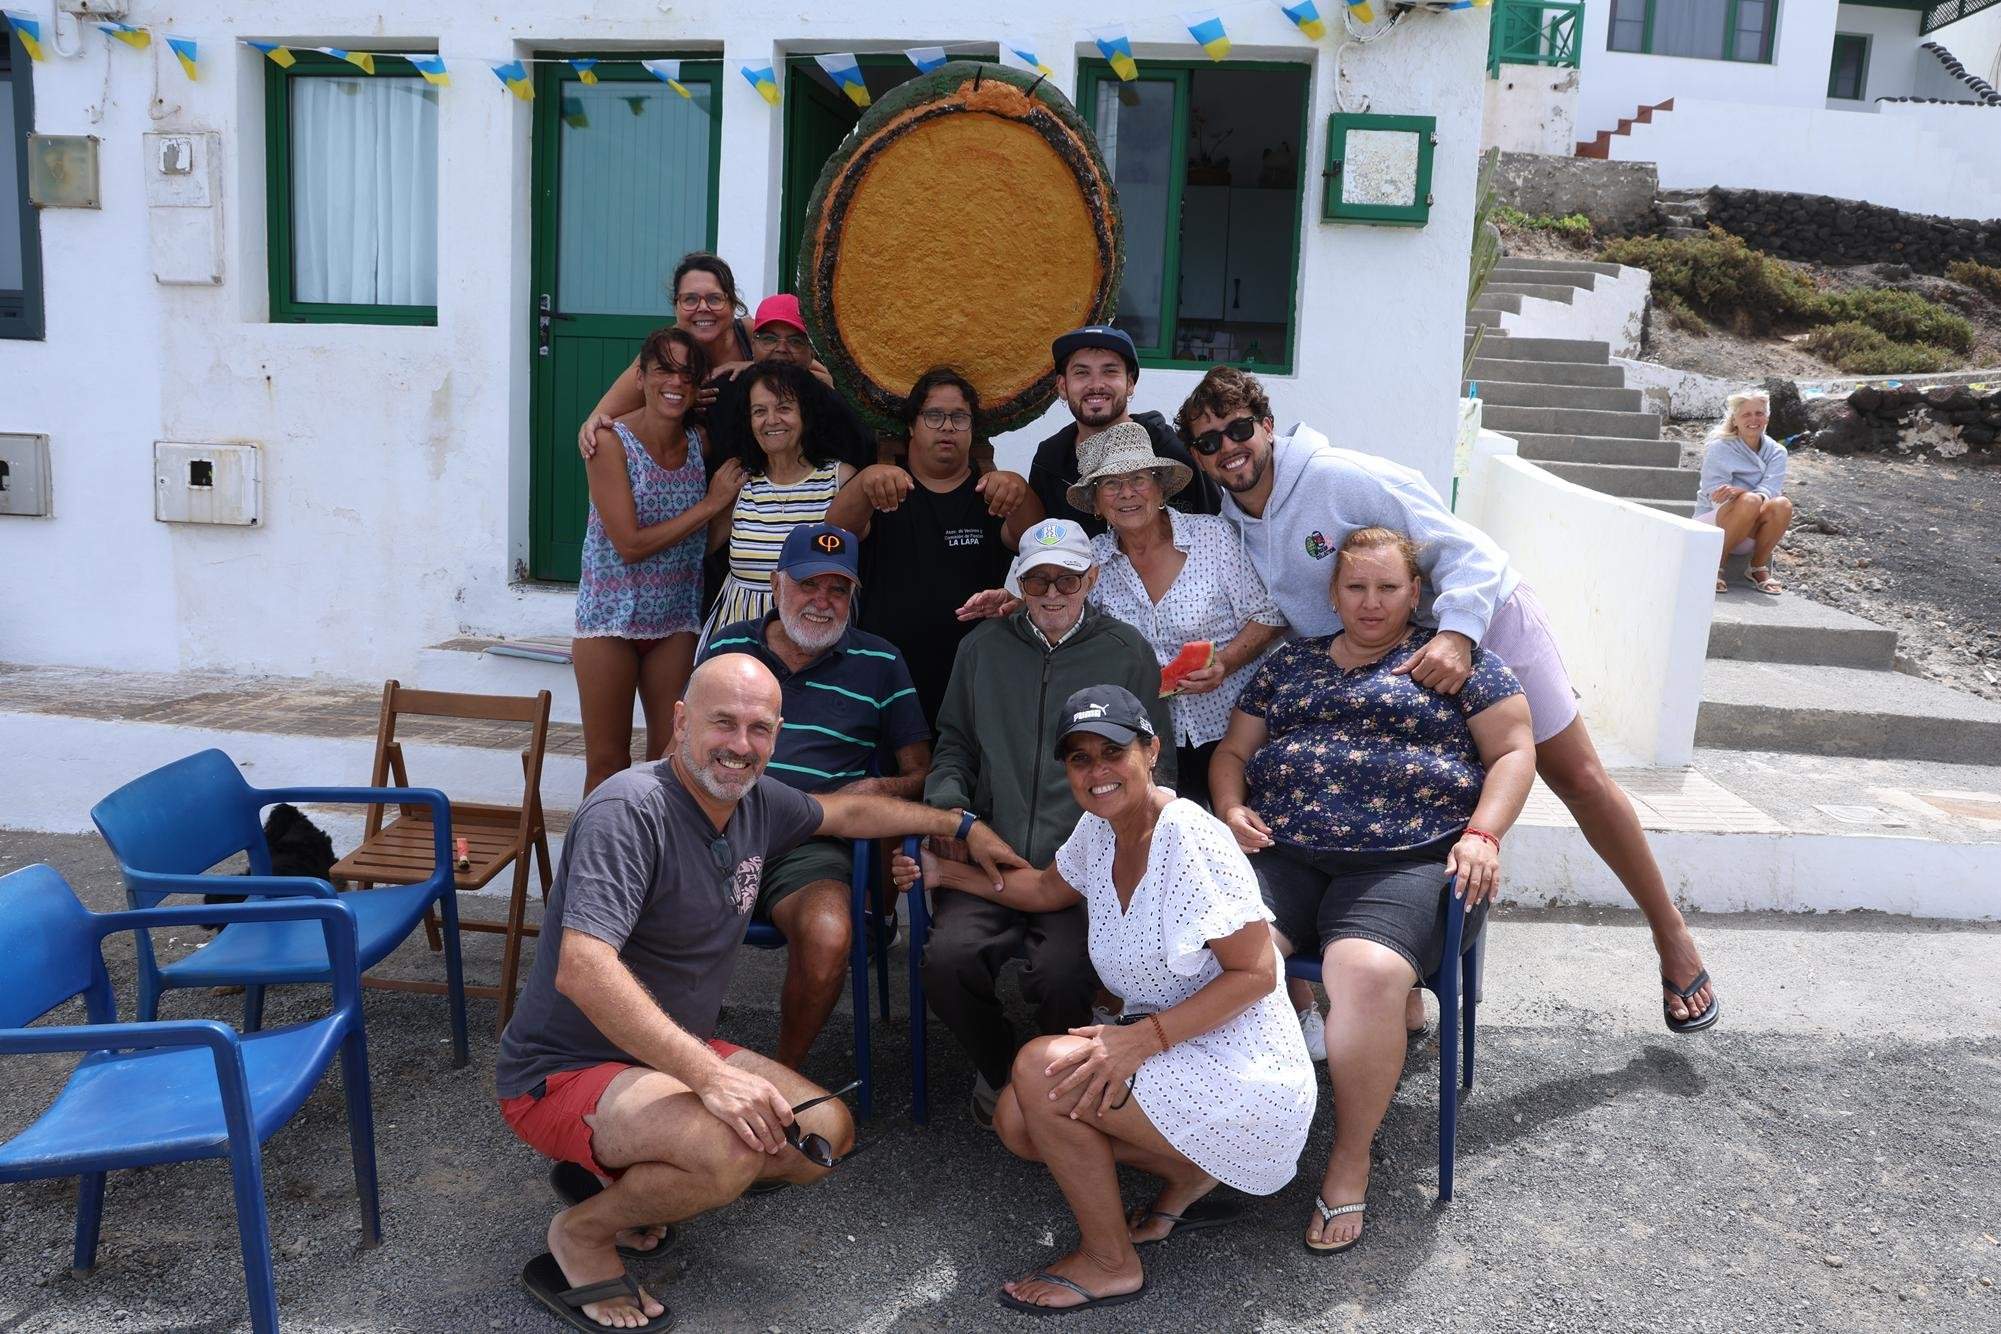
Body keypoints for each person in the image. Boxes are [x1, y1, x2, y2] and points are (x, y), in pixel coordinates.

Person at [1176, 366, 1720, 1035]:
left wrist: (1458, 637)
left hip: (1481, 621)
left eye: (1237, 429)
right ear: (1196, 456)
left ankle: (1670, 934)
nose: (1227, 447)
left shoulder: (1339, 477)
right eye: (1208, 442)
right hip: (1393, 663)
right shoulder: (1236, 518)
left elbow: (1471, 553)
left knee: (1577, 777)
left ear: (1265, 426)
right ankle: (1403, 989)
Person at [497, 654, 1023, 1332]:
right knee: (731, 1150)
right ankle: (584, 1232)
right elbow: (582, 967)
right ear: (682, 721)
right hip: (561, 1070)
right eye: (723, 723)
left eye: (759, 728)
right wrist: (710, 1077)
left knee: (823, 1132)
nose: (740, 746)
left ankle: (619, 1177)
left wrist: (955, 825)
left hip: (669, 1052)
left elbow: (847, 811)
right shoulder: (629, 810)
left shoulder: (754, 801)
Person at [904, 685, 1314, 1313]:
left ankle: (1110, 1262)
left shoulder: (1190, 838)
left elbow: (1259, 973)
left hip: (1246, 1070)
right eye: (1080, 758)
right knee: (1018, 1122)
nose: (1097, 772)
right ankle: (1187, 1173)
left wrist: (1138, 1040)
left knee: (1041, 1072)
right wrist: (948, 874)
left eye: (1112, 751)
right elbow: (1044, 889)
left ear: (1151, 752)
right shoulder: (1101, 830)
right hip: (1182, 1052)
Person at [1211, 527, 1536, 1254]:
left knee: (1362, 971)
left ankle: (1347, 1155)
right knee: (1226, 953)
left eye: (1387, 588)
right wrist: (1231, 809)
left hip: (1408, 861)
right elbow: (1233, 751)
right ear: (1333, 592)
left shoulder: (1456, 662)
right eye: (1355, 587)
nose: (1370, 602)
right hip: (1285, 853)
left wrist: (1481, 833)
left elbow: (1515, 750)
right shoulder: (1288, 665)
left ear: (1414, 593)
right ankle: (1236, 1128)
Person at [921, 518, 1176, 1125]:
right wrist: (953, 813)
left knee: (1063, 975)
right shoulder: (983, 647)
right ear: (1020, 582)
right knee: (947, 962)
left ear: (1091, 578)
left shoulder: (1126, 650)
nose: (1053, 592)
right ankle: (1005, 1069)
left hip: (1083, 864)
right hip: (993, 855)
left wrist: (1134, 850)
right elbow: (953, 742)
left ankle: (1057, 1077)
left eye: (1067, 578)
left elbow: (1152, 756)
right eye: (1038, 581)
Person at [698, 523, 931, 1068]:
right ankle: (663, 1063)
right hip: (714, 827)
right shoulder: (731, 646)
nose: (821, 602)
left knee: (829, 935)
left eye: (838, 589)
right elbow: (679, 744)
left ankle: (783, 1075)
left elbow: (921, 769)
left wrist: (878, 788)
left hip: (812, 840)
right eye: (808, 585)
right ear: (778, 584)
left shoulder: (880, 661)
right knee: (637, 908)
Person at [1066, 420, 1286, 808]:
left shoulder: (1212, 536)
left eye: (1138, 479)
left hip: (1235, 729)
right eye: (1111, 485)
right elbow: (1066, 623)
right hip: (1146, 742)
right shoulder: (1092, 561)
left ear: (1159, 487)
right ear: (1097, 504)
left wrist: (1224, 663)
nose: (1126, 493)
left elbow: (1268, 615)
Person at [573, 326, 745, 797]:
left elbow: (694, 543)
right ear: (642, 376)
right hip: (610, 623)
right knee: (607, 763)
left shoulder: (700, 444)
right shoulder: (610, 441)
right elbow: (628, 543)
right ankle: (598, 867)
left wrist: (730, 515)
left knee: (670, 761)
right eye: (664, 370)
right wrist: (712, 505)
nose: (675, 383)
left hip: (674, 619)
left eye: (687, 374)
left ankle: (657, 867)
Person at [850, 366, 1043, 724]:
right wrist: (865, 482)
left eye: (960, 417)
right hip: (884, 678)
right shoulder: (882, 486)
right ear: (911, 426)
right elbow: (837, 534)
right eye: (934, 416)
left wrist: (1019, 487)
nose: (947, 426)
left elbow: (1034, 542)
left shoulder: (992, 493)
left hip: (970, 680)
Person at [700, 360, 866, 645]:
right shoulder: (738, 478)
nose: (771, 420)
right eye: (759, 411)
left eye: (784, 408)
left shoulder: (839, 478)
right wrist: (714, 503)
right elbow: (704, 548)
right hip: (740, 638)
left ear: (806, 415)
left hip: (817, 635)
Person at [1027, 325, 1220, 534]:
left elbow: (1213, 523)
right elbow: (1037, 542)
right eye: (1082, 373)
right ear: (1063, 386)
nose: (1096, 384)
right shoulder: (1050, 460)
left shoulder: (1170, 451)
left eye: (1109, 371)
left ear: (1130, 383)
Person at [1697, 390, 1793, 596]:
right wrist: (1740, 497)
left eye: (1759, 413)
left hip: (1752, 529)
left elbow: (1772, 488)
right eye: (1746, 414)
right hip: (1716, 524)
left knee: (1782, 504)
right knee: (1749, 500)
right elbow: (1713, 492)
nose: (1754, 419)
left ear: (1767, 417)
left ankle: (1757, 567)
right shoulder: (1719, 447)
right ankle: (1716, 565)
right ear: (1735, 419)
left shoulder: (1777, 452)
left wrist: (1746, 494)